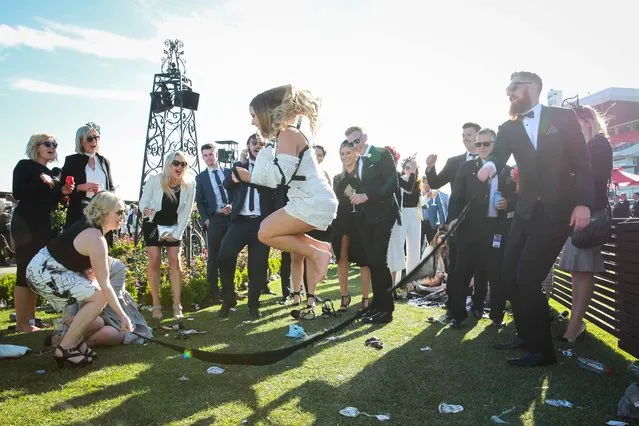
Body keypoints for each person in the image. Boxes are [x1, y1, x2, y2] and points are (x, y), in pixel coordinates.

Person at [477, 71, 593, 367]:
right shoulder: (509, 126)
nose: (509, 93)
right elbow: (499, 152)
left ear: (532, 88)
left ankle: (543, 351)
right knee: (509, 274)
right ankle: (527, 336)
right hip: (526, 211)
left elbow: (582, 163)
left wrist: (583, 204)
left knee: (528, 276)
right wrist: (490, 164)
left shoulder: (562, 118)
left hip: (556, 213)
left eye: (513, 87)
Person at [237, 85, 338, 317]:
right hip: (306, 198)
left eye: (254, 115)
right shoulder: (285, 135)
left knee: (265, 233)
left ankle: (317, 254)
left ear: (266, 113)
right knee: (269, 232)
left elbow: (279, 178)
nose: (253, 122)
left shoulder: (288, 134)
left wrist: (252, 173)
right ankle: (320, 248)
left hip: (312, 200)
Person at [26, 192, 133, 368]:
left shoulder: (90, 229)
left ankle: (76, 342)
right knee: (100, 296)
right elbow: (105, 284)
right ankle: (66, 348)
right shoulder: (96, 239)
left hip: (41, 268)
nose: (122, 216)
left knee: (96, 295)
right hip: (44, 272)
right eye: (119, 212)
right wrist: (123, 317)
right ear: (105, 212)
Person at [446, 128, 517, 329]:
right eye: (479, 144)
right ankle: (457, 314)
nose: (482, 147)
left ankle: (495, 314)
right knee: (462, 271)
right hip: (468, 228)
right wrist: (452, 219)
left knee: (494, 273)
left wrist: (508, 203)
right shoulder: (466, 167)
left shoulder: (506, 169)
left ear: (495, 145)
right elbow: (456, 197)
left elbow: (516, 197)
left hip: (496, 228)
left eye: (487, 143)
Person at [558, 105, 613, 342]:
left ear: (588, 123)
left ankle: (574, 327)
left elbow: (595, 180)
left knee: (581, 271)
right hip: (583, 216)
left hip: (591, 216)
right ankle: (575, 324)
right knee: (577, 273)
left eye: (575, 125)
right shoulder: (585, 147)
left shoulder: (598, 144)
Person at [12, 133, 73, 333]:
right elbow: (18, 192)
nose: (52, 146)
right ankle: (22, 324)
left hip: (43, 225)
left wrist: (63, 191)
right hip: (25, 224)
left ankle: (30, 319)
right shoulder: (25, 166)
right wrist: (42, 180)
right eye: (47, 143)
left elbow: (52, 199)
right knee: (24, 270)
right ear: (35, 147)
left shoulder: (49, 172)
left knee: (35, 270)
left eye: (54, 144)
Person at [345, 126, 400, 324]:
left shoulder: (382, 154)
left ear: (365, 137)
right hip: (367, 218)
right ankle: (377, 306)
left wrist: (366, 195)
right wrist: (355, 193)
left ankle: (386, 310)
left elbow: (392, 184)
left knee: (378, 261)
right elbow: (363, 186)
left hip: (384, 216)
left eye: (357, 140)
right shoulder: (360, 160)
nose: (355, 145)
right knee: (372, 262)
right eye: (350, 143)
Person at [217, 134, 274, 319]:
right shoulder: (239, 167)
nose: (257, 146)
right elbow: (227, 184)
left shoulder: (270, 169)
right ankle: (228, 299)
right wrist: (240, 164)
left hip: (261, 223)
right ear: (248, 146)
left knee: (257, 266)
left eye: (261, 143)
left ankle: (253, 305)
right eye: (254, 143)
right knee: (224, 256)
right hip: (240, 222)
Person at [45, 258, 153, 348]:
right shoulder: (73, 271)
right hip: (88, 309)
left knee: (105, 334)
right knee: (97, 322)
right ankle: (67, 340)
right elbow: (72, 300)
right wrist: (75, 317)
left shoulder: (117, 267)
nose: (89, 270)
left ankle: (71, 343)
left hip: (114, 312)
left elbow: (107, 298)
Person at [139, 151, 196, 320]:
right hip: (153, 224)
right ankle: (156, 305)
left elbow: (186, 213)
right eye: (176, 163)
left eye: (183, 164)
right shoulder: (155, 180)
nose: (179, 167)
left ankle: (177, 305)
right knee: (155, 260)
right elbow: (143, 201)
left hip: (173, 226)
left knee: (175, 262)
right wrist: (145, 209)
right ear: (169, 164)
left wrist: (177, 233)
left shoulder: (190, 184)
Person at [331, 140, 371, 312]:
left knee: (364, 260)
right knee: (341, 256)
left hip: (361, 219)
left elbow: (366, 197)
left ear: (355, 153)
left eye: (348, 152)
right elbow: (337, 199)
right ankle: (344, 296)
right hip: (342, 218)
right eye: (342, 153)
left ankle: (365, 298)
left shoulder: (364, 175)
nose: (345, 156)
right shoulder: (337, 178)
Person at [61, 123, 115, 245]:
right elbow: (62, 188)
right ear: (81, 142)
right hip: (80, 212)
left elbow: (111, 187)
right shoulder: (71, 161)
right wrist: (80, 187)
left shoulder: (104, 161)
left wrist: (106, 196)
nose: (94, 141)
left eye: (96, 137)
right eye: (90, 138)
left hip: (101, 212)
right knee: (79, 248)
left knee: (100, 248)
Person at [195, 143, 232, 306]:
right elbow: (200, 202)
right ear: (202, 157)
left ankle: (229, 291)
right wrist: (206, 219)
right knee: (213, 259)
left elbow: (237, 193)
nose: (209, 158)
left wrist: (232, 205)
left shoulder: (229, 172)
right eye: (206, 155)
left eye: (211, 154)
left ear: (217, 154)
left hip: (231, 219)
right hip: (214, 220)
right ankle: (214, 293)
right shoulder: (201, 177)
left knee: (230, 256)